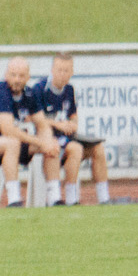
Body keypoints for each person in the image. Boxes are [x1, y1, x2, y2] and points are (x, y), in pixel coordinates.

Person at [0, 57, 58, 206]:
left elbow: (42, 124)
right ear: (6, 75)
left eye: (21, 76)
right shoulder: (0, 93)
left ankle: (55, 198)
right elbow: (8, 130)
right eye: (13, 75)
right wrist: (41, 142)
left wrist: (47, 142)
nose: (17, 79)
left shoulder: (29, 94)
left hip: (5, 141)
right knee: (13, 143)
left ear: (28, 77)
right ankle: (14, 199)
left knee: (53, 143)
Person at [35, 53, 109, 205]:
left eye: (67, 71)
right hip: (46, 140)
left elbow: (73, 115)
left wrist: (73, 124)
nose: (63, 74)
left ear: (72, 72)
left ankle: (104, 198)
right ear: (52, 70)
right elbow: (36, 119)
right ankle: (70, 198)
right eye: (59, 70)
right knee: (75, 149)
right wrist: (58, 124)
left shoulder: (69, 90)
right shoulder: (40, 89)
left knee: (98, 148)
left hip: (67, 137)